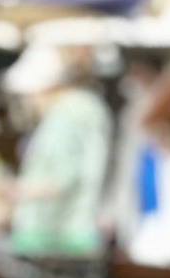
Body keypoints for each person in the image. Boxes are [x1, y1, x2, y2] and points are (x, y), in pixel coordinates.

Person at [6, 46, 113, 260]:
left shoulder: (69, 113)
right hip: (70, 235)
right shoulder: (86, 107)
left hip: (56, 238)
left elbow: (60, 180)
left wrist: (12, 191)